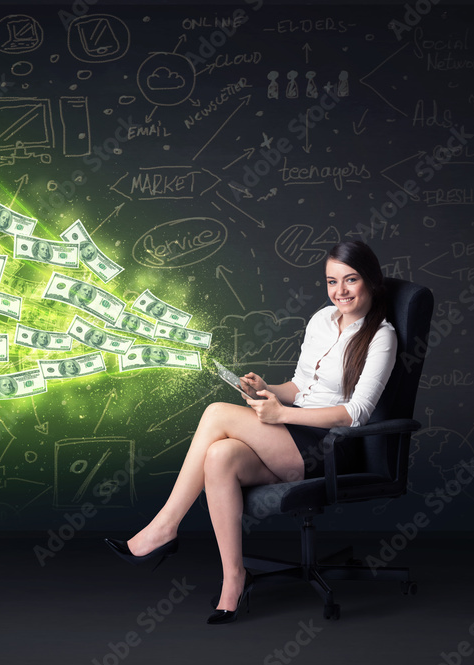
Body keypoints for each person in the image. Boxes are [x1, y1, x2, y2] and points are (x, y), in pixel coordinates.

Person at [105, 240, 397, 624]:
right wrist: (267, 391)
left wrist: (281, 417)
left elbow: (355, 414)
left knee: (215, 414)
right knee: (219, 455)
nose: (339, 291)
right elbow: (298, 387)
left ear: (371, 281)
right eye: (331, 281)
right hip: (292, 437)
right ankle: (233, 579)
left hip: (331, 448)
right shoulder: (320, 321)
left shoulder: (382, 336)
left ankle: (164, 528)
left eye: (351, 280)